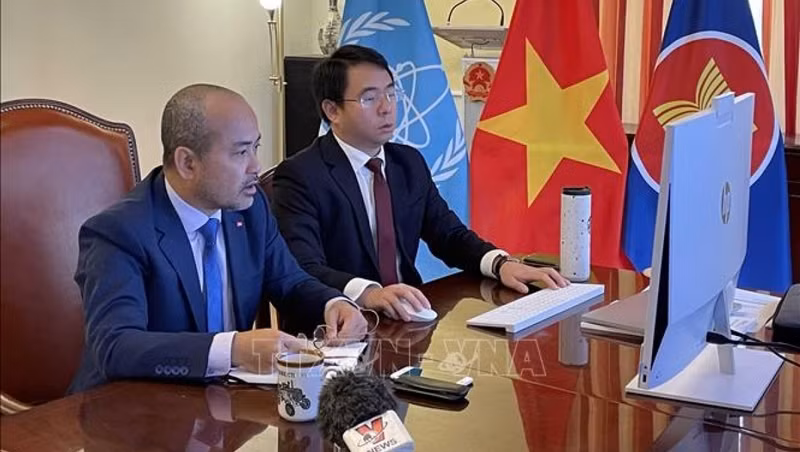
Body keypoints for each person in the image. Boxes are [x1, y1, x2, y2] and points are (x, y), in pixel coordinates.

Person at [69, 84, 367, 393]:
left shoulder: (250, 209)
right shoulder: (119, 232)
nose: (256, 166)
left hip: (221, 407)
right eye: (241, 152)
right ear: (188, 163)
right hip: (130, 414)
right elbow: (116, 346)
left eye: (256, 147)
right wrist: (234, 349)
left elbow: (290, 282)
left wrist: (334, 303)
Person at [272, 45, 569, 323]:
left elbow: (448, 235)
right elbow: (302, 267)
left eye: (391, 93)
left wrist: (501, 264)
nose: (386, 107)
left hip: (408, 319)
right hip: (340, 328)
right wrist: (369, 294)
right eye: (369, 98)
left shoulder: (407, 163)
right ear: (332, 111)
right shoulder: (301, 176)